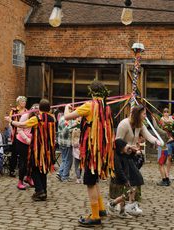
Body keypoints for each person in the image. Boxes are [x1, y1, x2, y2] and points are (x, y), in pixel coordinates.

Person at [63, 80, 114, 227]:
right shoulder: (106, 107)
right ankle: (101, 209)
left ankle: (95, 216)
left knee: (90, 183)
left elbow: (67, 117)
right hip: (102, 152)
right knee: (95, 180)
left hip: (92, 152)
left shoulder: (88, 106)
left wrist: (67, 108)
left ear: (91, 92)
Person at [5, 99, 56, 202]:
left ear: (40, 108)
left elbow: (22, 125)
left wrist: (10, 121)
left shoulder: (38, 118)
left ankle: (40, 191)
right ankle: (44, 191)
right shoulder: (52, 118)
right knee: (43, 170)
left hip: (37, 148)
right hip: (48, 149)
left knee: (34, 169)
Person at [107, 139, 144, 218]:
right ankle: (112, 204)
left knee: (127, 193)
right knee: (126, 194)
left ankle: (122, 211)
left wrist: (133, 150)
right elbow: (119, 170)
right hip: (120, 179)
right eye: (124, 146)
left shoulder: (124, 154)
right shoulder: (116, 157)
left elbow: (132, 157)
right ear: (120, 147)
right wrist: (125, 180)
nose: (126, 147)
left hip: (125, 178)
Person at [15, 104, 37, 190]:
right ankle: (20, 181)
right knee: (23, 162)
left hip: (31, 142)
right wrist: (26, 138)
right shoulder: (25, 116)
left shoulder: (38, 118)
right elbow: (19, 128)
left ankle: (29, 177)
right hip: (22, 142)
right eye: (35, 109)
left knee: (32, 161)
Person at [8, 96, 27, 177]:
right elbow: (9, 121)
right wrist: (11, 131)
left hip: (23, 133)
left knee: (23, 153)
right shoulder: (14, 111)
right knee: (14, 153)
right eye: (22, 101)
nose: (24, 103)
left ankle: (23, 170)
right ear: (18, 102)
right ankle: (12, 170)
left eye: (25, 101)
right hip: (15, 134)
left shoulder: (27, 111)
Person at [56, 110, 75, 182]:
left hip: (61, 142)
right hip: (66, 143)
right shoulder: (67, 120)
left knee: (64, 159)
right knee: (68, 160)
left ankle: (60, 173)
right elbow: (66, 131)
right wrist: (73, 126)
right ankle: (65, 176)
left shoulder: (61, 118)